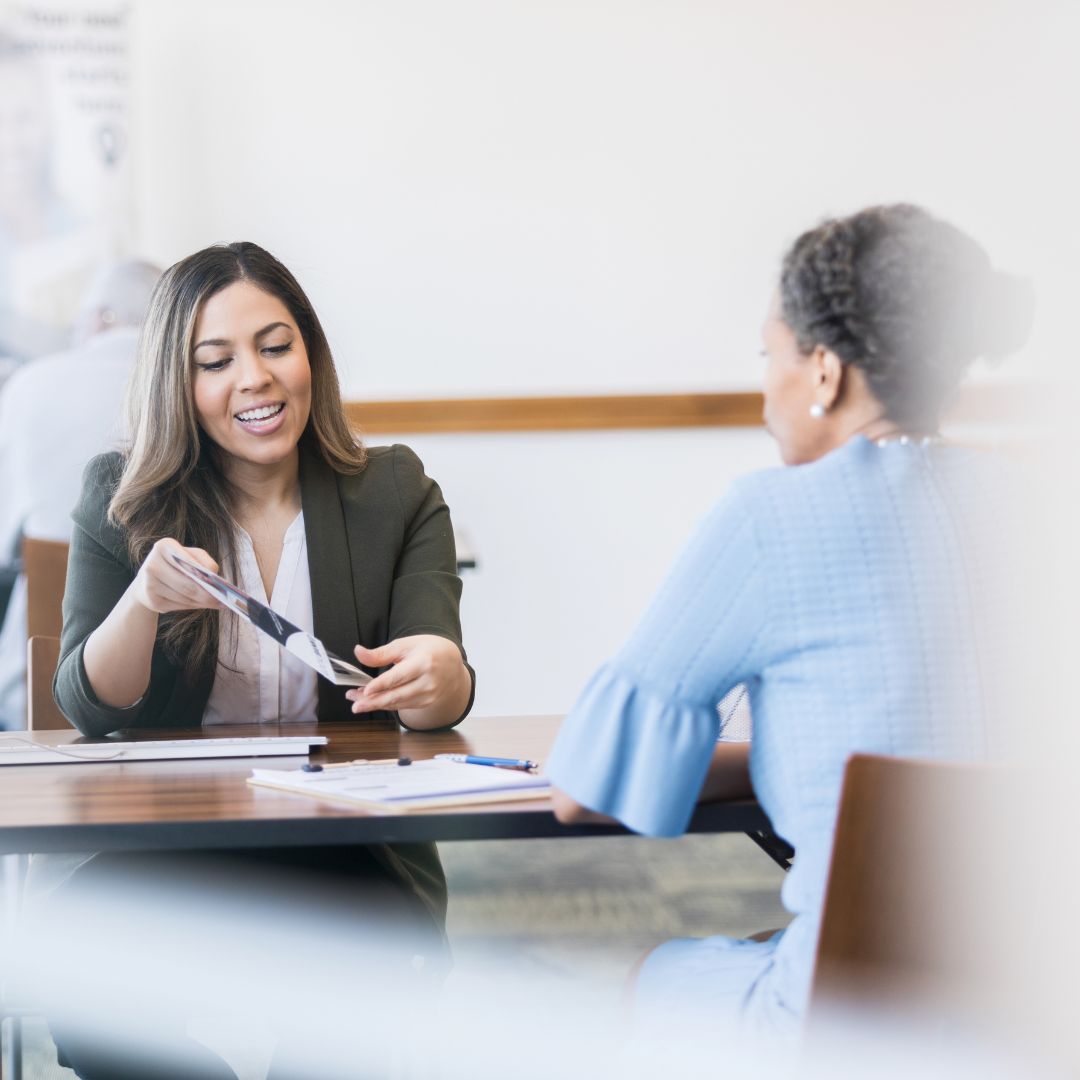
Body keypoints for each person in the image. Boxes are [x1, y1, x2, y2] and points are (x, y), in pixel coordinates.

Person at [548, 204, 1033, 1043]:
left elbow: (583, 791)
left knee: (641, 976)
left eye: (767, 354)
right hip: (1035, 1001)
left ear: (823, 371)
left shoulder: (770, 518)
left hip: (846, 1019)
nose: (764, 386)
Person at [45, 242, 475, 1078]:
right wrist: (142, 601)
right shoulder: (118, 495)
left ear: (309, 352)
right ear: (179, 382)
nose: (255, 378)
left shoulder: (394, 491)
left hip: (350, 852)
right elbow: (87, 707)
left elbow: (440, 688)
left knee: (358, 999)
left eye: (276, 346)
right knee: (84, 975)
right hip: (169, 848)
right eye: (216, 360)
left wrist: (439, 674)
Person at [0, 259, 161, 729]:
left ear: (99, 317)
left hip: (35, 671)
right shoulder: (192, 382)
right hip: (175, 666)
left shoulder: (32, 384)